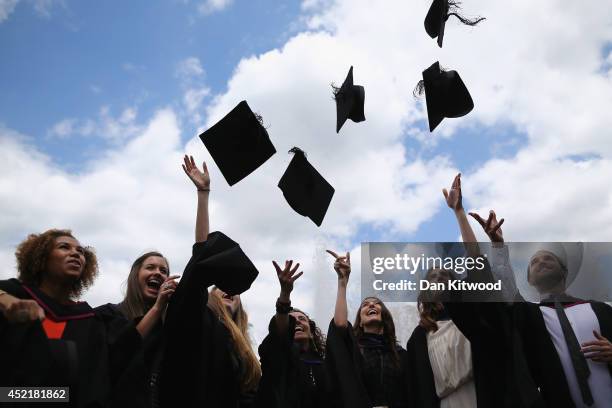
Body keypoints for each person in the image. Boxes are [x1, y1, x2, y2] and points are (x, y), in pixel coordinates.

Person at [468, 208, 612, 408]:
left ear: (564, 271)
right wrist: (498, 245)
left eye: (548, 258)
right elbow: (507, 291)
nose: (541, 261)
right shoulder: (530, 316)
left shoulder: (601, 310)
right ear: (529, 279)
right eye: (534, 262)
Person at [157, 155, 261, 408]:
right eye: (219, 287)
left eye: (231, 291)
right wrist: (203, 195)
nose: (227, 291)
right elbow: (202, 261)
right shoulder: (199, 318)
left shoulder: (242, 345)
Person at [0, 229, 141, 408]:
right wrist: (5, 299)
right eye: (64, 247)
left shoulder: (91, 321)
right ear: (42, 258)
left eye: (80, 251)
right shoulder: (14, 294)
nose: (75, 253)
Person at [325, 250, 409, 408]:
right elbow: (340, 326)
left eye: (376, 303)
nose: (371, 304)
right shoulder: (354, 351)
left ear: (384, 317)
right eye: (365, 305)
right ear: (361, 322)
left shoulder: (401, 355)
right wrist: (342, 282)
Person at [95, 251, 178, 408]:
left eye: (163, 271)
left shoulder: (167, 328)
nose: (157, 273)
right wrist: (158, 307)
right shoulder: (107, 315)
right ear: (135, 275)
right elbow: (120, 352)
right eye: (150, 267)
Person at [256, 259, 335, 408]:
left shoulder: (325, 366)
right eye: (292, 320)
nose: (297, 322)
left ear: (312, 333)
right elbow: (279, 335)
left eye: (302, 319)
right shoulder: (278, 356)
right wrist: (285, 294)